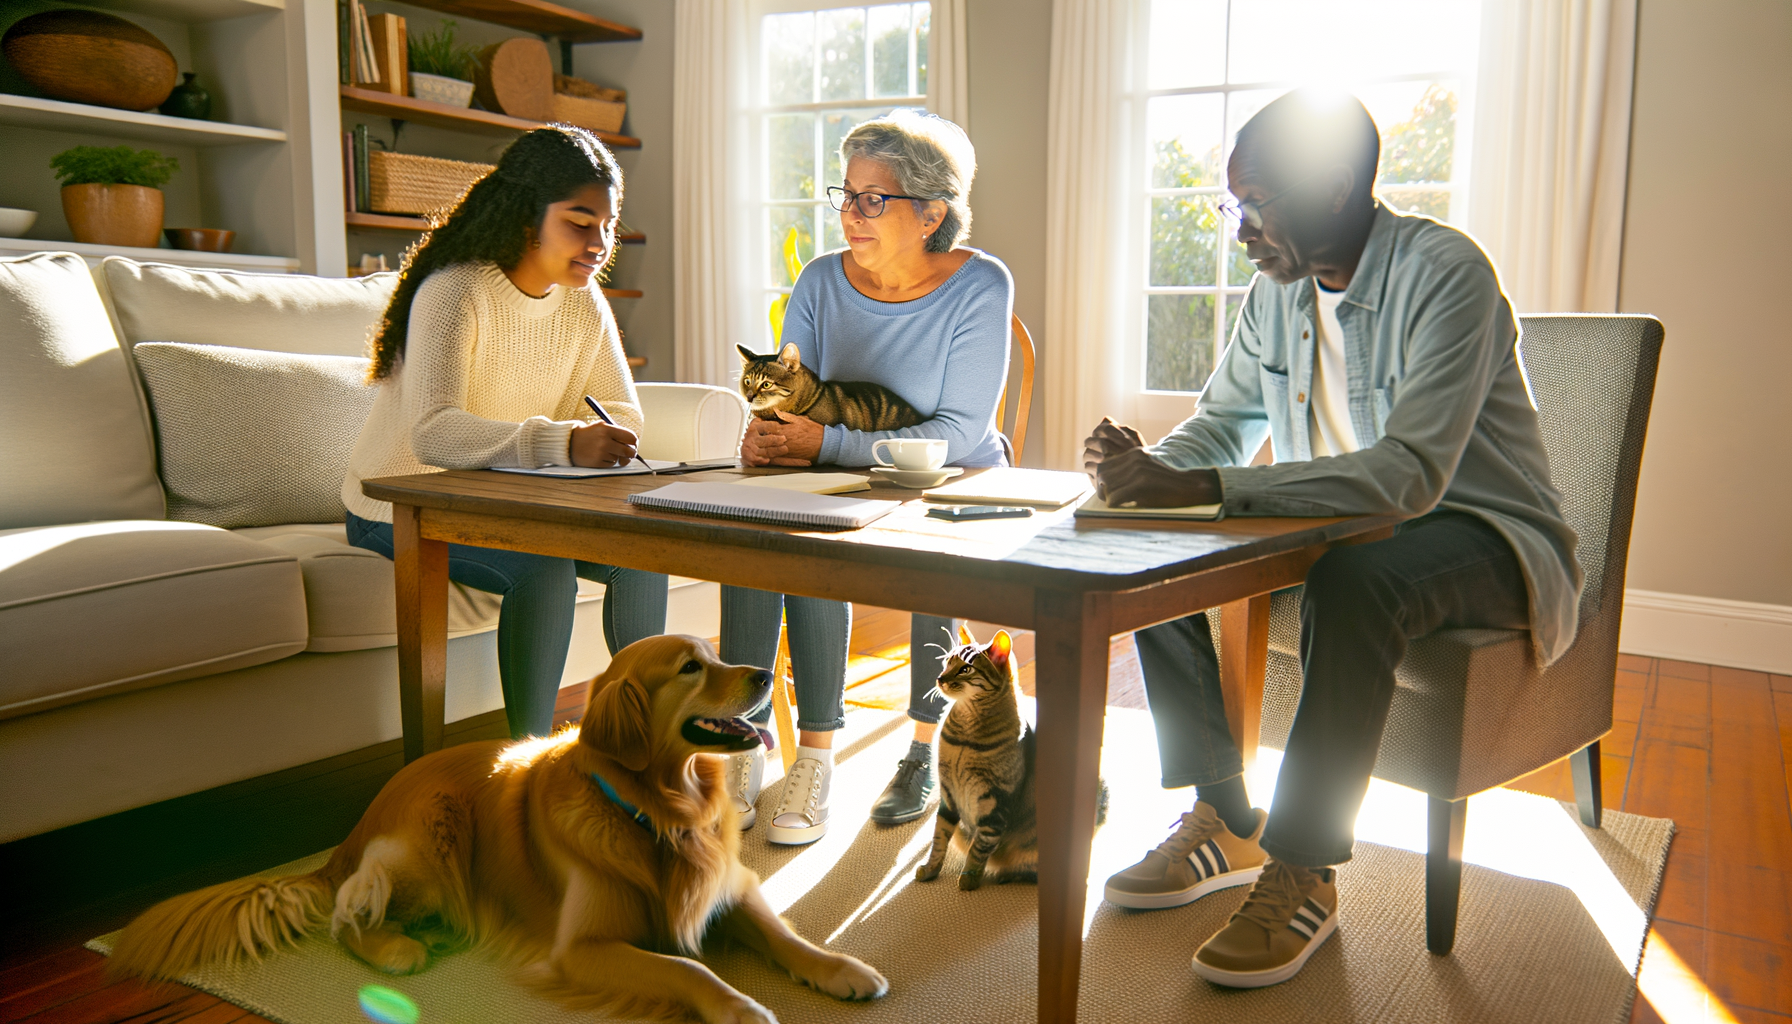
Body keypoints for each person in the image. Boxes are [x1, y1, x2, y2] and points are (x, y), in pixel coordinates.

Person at [1085, 89, 1581, 988]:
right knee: (1148, 539)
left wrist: (1198, 485)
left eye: (1256, 205)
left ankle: (1303, 868)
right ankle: (1227, 814)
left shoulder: (1448, 274)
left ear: (1338, 186)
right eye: (1232, 207)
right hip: (1343, 529)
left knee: (1360, 582)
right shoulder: (1274, 294)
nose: (1240, 233)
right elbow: (1222, 427)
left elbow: (1410, 478)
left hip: (1484, 535)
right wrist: (1142, 477)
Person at [723, 110, 1014, 845]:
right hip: (839, 471)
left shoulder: (981, 286)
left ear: (932, 214)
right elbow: (792, 396)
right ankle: (749, 746)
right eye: (845, 194)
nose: (850, 213)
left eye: (872, 199)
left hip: (954, 480)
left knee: (925, 551)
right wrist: (765, 437)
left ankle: (922, 748)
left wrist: (826, 445)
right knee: (755, 526)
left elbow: (959, 435)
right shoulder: (821, 281)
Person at [341, 126, 669, 741]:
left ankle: (643, 742)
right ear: (526, 217)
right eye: (579, 221)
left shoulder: (583, 301)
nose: (600, 242)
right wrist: (562, 444)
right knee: (543, 572)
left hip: (506, 500)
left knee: (641, 556)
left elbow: (621, 410)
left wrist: (599, 437)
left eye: (609, 223)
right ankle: (529, 767)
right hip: (399, 502)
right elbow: (433, 434)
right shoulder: (454, 290)